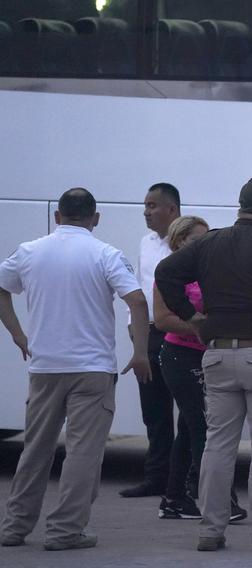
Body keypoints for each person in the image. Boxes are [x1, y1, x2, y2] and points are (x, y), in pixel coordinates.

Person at [156, 177, 252, 553]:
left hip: (219, 354)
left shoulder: (210, 242)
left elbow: (165, 273)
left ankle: (210, 530)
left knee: (217, 445)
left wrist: (192, 317)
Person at [0, 188, 150, 550]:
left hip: (45, 367)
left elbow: (2, 288)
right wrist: (140, 352)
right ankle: (65, 531)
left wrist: (19, 335)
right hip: (93, 369)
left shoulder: (29, 251)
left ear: (57, 216)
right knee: (83, 453)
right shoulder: (105, 254)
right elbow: (138, 299)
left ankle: (14, 528)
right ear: (95, 218)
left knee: (35, 448)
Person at [153, 216, 247, 523]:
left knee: (188, 428)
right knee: (203, 427)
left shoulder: (209, 272)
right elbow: (163, 319)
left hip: (207, 356)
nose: (204, 247)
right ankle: (219, 500)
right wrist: (201, 327)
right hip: (180, 356)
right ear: (180, 243)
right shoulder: (170, 275)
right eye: (197, 241)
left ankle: (174, 498)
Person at [121, 182, 181, 498]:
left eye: (152, 206)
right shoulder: (146, 243)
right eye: (145, 205)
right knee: (154, 410)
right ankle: (157, 477)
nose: (146, 212)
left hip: (180, 333)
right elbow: (140, 289)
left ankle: (188, 479)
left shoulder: (188, 240)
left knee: (189, 409)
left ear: (172, 209)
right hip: (151, 332)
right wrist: (135, 327)